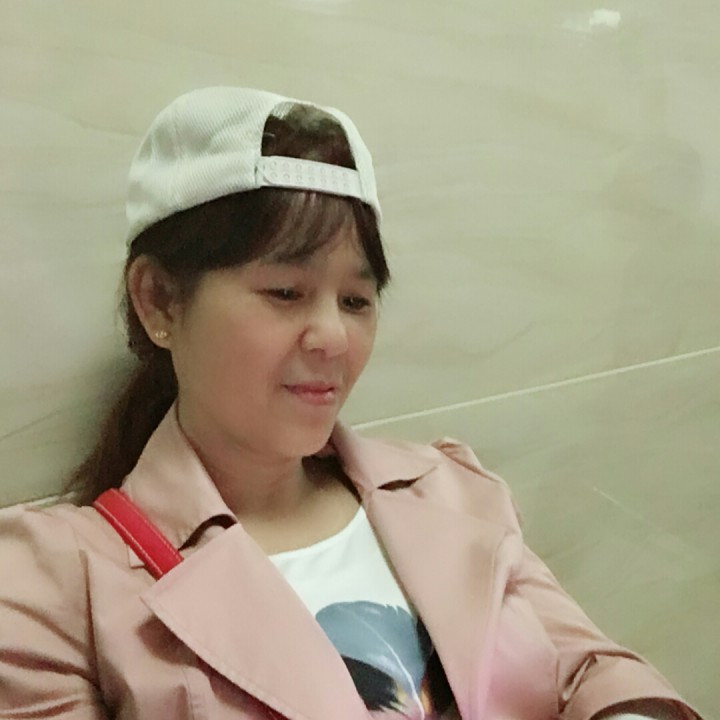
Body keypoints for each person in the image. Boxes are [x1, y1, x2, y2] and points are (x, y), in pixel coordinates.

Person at [0, 87, 701, 720]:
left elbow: (587, 670)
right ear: (158, 300)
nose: (334, 337)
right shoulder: (57, 585)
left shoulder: (450, 490)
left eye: (357, 300)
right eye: (285, 292)